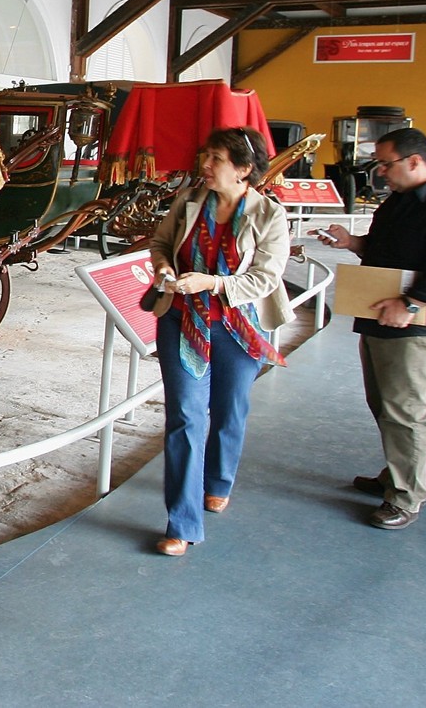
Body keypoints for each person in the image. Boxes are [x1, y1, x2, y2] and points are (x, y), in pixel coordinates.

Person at [322, 127, 426, 530]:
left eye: (386, 164)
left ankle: (407, 497)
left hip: (416, 327)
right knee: (384, 404)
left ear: (414, 161)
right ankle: (396, 473)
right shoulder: (397, 203)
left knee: (406, 410)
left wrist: (409, 303)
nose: (381, 173)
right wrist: (352, 242)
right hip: (377, 317)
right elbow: (383, 248)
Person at [148, 126, 291, 556]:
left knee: (229, 411)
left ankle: (219, 480)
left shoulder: (269, 215)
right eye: (205, 156)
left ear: (244, 170)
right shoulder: (189, 202)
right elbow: (160, 244)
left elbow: (266, 278)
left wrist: (212, 282)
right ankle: (182, 523)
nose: (205, 166)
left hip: (239, 327)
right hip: (181, 320)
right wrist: (163, 272)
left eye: (217, 160)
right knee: (185, 418)